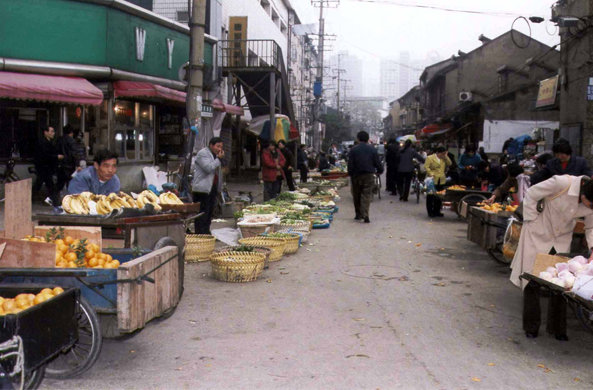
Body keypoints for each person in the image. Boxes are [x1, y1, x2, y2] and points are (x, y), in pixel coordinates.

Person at [510, 175, 593, 341]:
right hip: (537, 234)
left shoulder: (590, 200)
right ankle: (531, 326)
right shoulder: (561, 182)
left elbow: (591, 226)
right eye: (591, 204)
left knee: (561, 284)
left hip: (561, 239)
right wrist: (532, 219)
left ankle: (557, 328)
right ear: (583, 194)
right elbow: (532, 193)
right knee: (531, 281)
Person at [189, 137, 224, 234]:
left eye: (221, 147)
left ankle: (206, 233)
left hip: (211, 188)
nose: (219, 149)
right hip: (202, 189)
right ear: (211, 145)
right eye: (217, 146)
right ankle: (200, 234)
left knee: (209, 213)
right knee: (201, 213)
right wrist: (218, 159)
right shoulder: (203, 153)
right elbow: (208, 168)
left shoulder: (215, 156)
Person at [347, 131, 383, 223]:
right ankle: (365, 214)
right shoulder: (372, 149)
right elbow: (377, 162)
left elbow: (350, 164)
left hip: (356, 175)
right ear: (367, 139)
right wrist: (380, 170)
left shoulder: (353, 150)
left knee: (357, 194)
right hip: (369, 175)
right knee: (366, 194)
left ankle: (358, 214)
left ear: (358, 139)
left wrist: (351, 174)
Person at [35, 126, 64, 207]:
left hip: (47, 168)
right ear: (46, 132)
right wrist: (56, 157)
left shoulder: (49, 142)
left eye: (53, 131)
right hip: (44, 167)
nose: (53, 133)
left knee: (39, 185)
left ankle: (29, 198)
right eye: (51, 131)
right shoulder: (42, 142)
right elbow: (45, 156)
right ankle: (55, 202)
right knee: (50, 186)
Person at [424, 146, 451, 217]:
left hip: (441, 179)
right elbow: (426, 167)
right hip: (432, 179)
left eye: (444, 154)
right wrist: (431, 173)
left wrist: (446, 157)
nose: (442, 155)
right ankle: (430, 212)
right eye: (441, 154)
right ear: (438, 153)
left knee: (439, 196)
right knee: (431, 195)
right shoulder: (430, 158)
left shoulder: (444, 158)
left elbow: (450, 164)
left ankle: (437, 211)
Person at [56, 125, 81, 195]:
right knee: (70, 183)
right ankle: (71, 199)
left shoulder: (59, 139)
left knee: (59, 184)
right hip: (69, 165)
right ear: (71, 133)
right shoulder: (71, 141)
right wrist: (77, 164)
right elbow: (74, 154)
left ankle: (53, 198)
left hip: (60, 164)